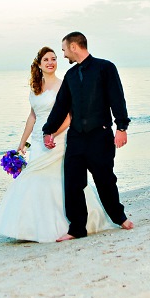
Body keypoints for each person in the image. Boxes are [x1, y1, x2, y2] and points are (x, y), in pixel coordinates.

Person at [0, 46, 116, 243]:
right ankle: (29, 227)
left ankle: (70, 224)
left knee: (59, 179)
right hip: (38, 140)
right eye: (46, 60)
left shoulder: (63, 84)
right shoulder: (35, 87)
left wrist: (51, 135)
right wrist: (22, 143)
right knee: (34, 177)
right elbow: (32, 115)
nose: (51, 62)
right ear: (39, 65)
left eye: (54, 58)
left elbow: (70, 116)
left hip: (57, 138)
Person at [42, 32, 134, 242]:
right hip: (76, 138)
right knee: (73, 184)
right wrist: (48, 130)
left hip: (99, 136)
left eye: (64, 49)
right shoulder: (71, 76)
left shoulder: (105, 68)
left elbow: (117, 97)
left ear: (74, 47)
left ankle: (119, 218)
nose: (63, 55)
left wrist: (121, 127)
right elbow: (61, 106)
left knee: (105, 180)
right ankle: (77, 229)